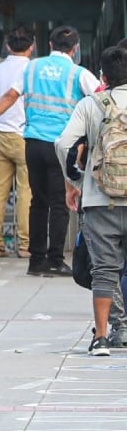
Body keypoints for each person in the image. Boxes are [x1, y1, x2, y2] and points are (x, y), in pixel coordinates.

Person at [0, 25, 98, 277]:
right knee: (60, 204)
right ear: (74, 49)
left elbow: (10, 95)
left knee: (37, 202)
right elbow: (99, 97)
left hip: (32, 143)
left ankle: (36, 260)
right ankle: (55, 259)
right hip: (62, 147)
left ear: (49, 45)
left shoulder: (31, 68)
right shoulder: (77, 72)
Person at [56, 46, 127, 355]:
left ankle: (103, 335)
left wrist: (74, 181)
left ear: (103, 76)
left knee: (104, 269)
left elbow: (63, 144)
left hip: (100, 199)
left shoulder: (92, 104)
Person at [0, 26, 35, 258]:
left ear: (6, 46)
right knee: (26, 192)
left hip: (0, 134)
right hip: (25, 135)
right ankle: (25, 245)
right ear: (32, 46)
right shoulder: (33, 69)